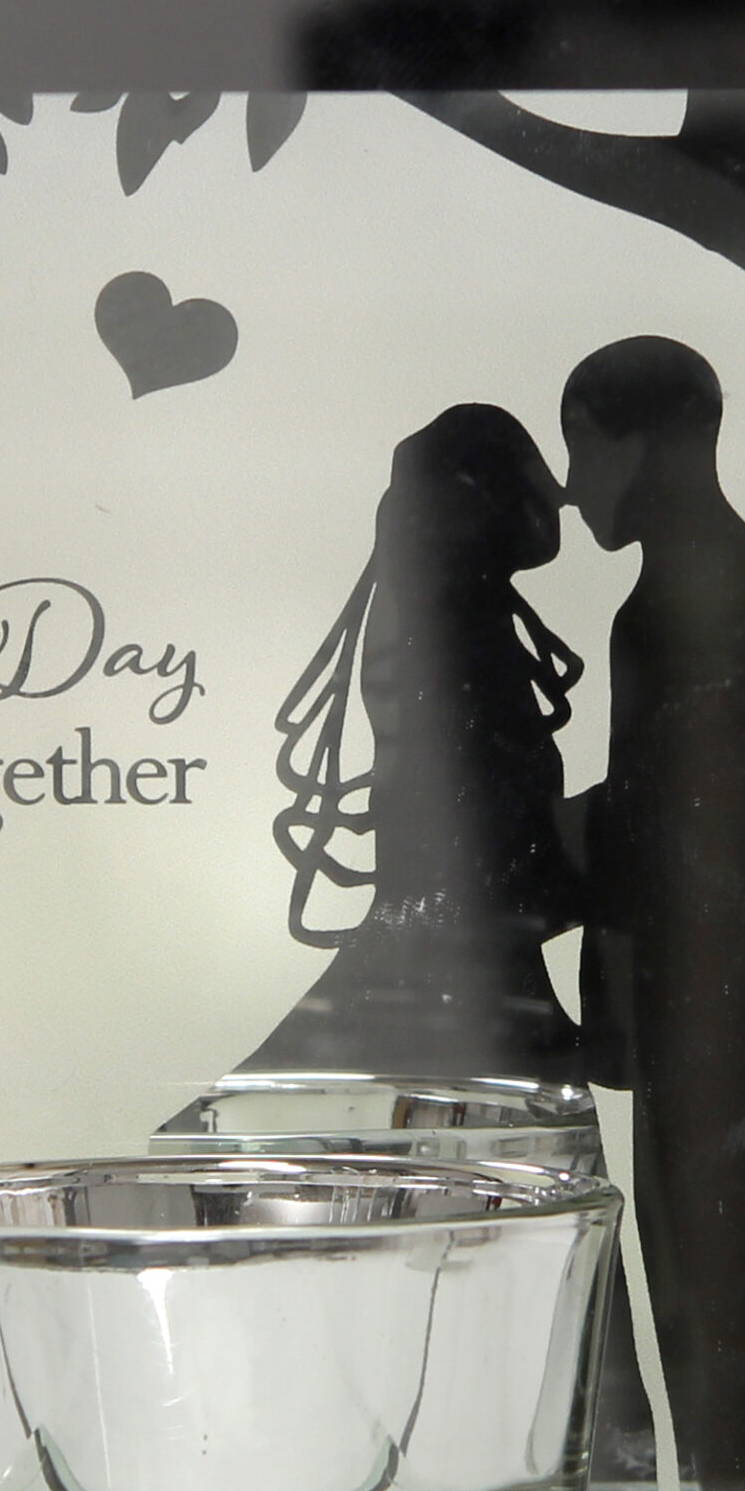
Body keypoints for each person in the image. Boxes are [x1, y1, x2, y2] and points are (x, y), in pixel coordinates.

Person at [561, 338, 745, 1491]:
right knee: (707, 1248)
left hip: (701, 981)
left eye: (583, 450)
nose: (574, 487)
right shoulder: (706, 584)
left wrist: (532, 841)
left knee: (705, 1258)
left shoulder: (691, 600)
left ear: (643, 447)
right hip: (704, 974)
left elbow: (678, 816)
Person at [238, 404, 586, 1080]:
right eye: (530, 485)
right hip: (464, 952)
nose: (555, 503)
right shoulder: (455, 629)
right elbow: (490, 825)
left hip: (471, 950)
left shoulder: (446, 612)